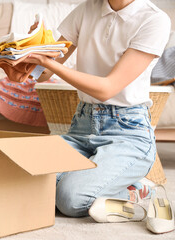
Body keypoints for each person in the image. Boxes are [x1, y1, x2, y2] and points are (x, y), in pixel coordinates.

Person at [23, 0, 171, 218]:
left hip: (128, 134)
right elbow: (42, 73)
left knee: (71, 199)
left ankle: (135, 191)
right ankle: (100, 182)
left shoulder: (154, 19)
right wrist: (31, 49)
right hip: (81, 128)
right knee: (21, 178)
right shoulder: (87, 9)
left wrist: (50, 64)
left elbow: (107, 88)